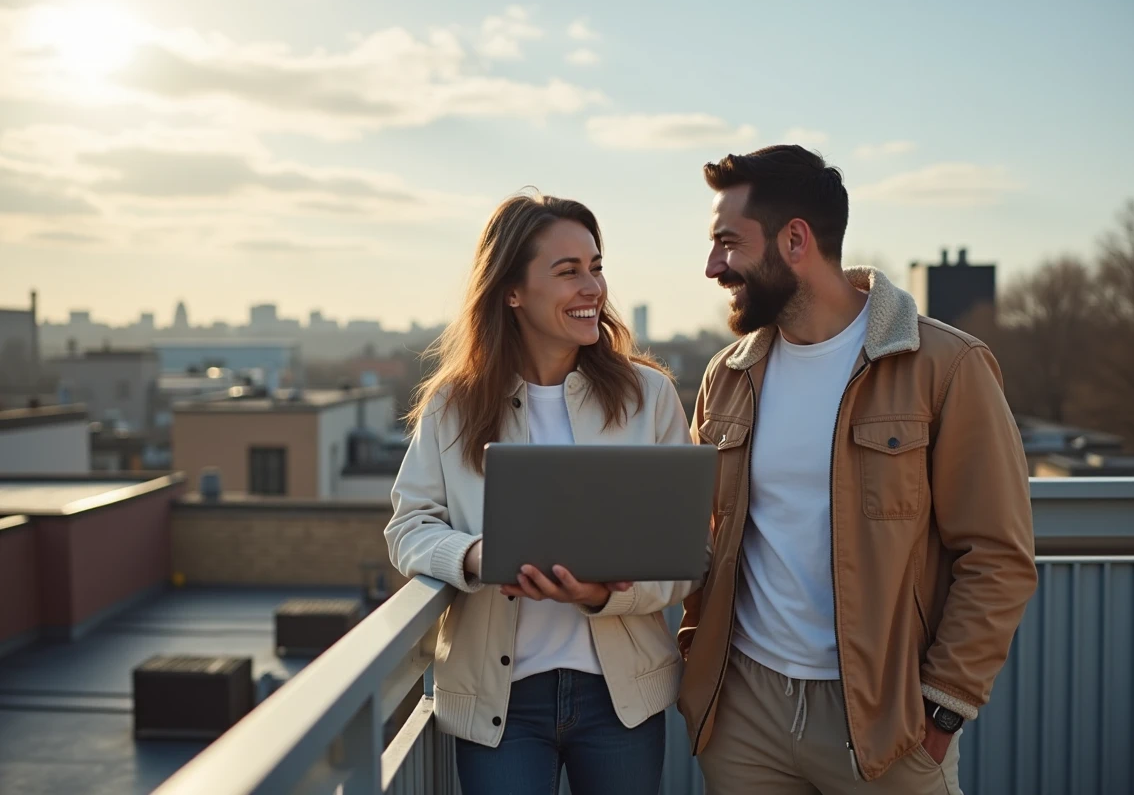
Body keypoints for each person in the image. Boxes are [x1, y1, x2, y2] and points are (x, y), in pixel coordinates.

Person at [676, 145, 1038, 794]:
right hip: (743, 718)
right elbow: (706, 540)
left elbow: (997, 555)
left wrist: (942, 706)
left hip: (884, 724)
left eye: (727, 243)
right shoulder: (726, 377)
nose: (712, 266)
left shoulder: (945, 367)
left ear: (794, 240)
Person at [384, 191, 699, 795]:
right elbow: (408, 527)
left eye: (596, 267)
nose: (592, 288)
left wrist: (604, 594)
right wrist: (475, 557)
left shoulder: (649, 397)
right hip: (499, 705)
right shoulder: (455, 405)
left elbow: (687, 558)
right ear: (511, 291)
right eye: (568, 271)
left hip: (621, 700)